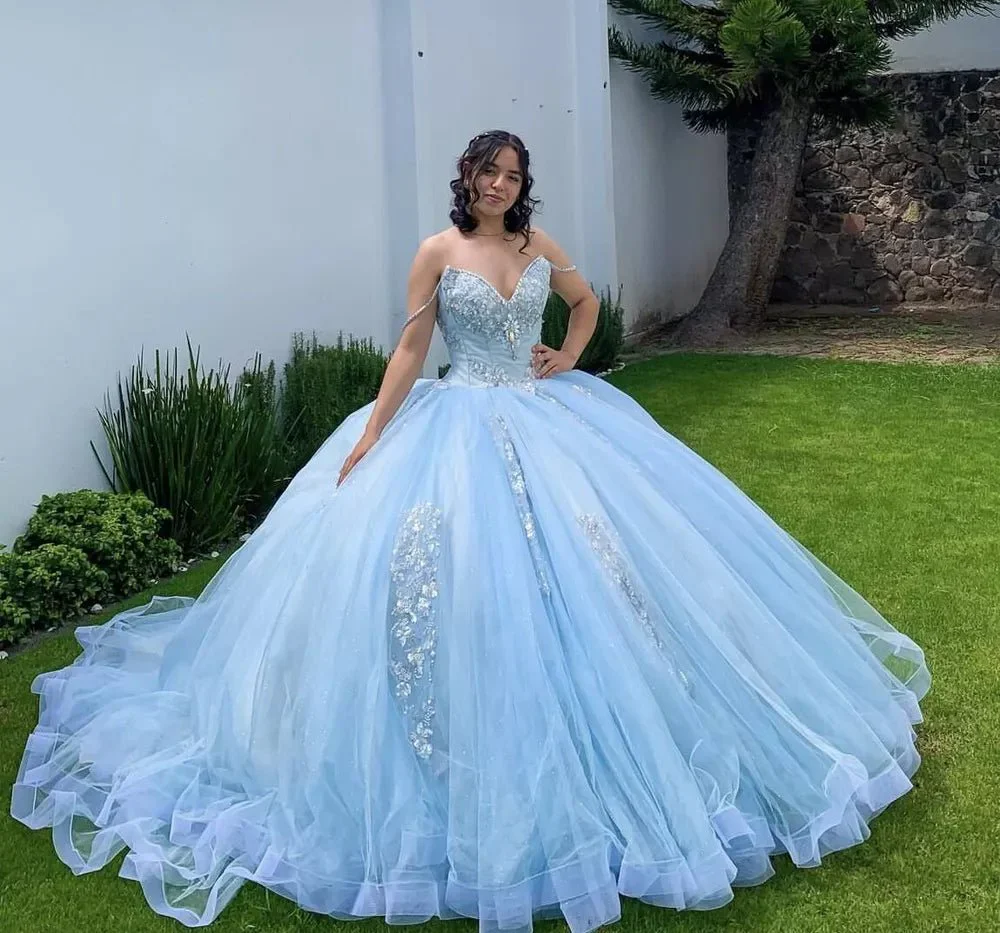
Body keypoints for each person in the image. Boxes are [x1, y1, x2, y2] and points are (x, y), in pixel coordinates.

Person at [11, 130, 929, 933]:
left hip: (546, 417)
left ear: (524, 185)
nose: (501, 185)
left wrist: (566, 356)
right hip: (454, 427)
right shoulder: (436, 251)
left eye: (514, 173)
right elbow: (412, 348)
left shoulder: (536, 244)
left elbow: (586, 303)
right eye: (490, 172)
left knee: (607, 571)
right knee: (436, 586)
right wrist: (373, 433)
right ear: (468, 177)